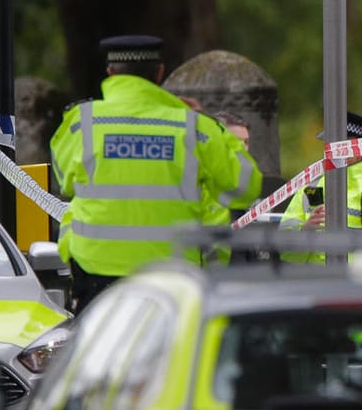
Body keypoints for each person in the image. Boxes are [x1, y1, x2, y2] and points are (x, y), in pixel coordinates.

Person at [49, 35, 261, 312]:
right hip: (172, 277)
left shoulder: (82, 122)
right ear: (159, 73)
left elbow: (64, 178)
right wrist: (216, 128)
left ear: (110, 72)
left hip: (97, 272)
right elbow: (245, 186)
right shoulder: (193, 128)